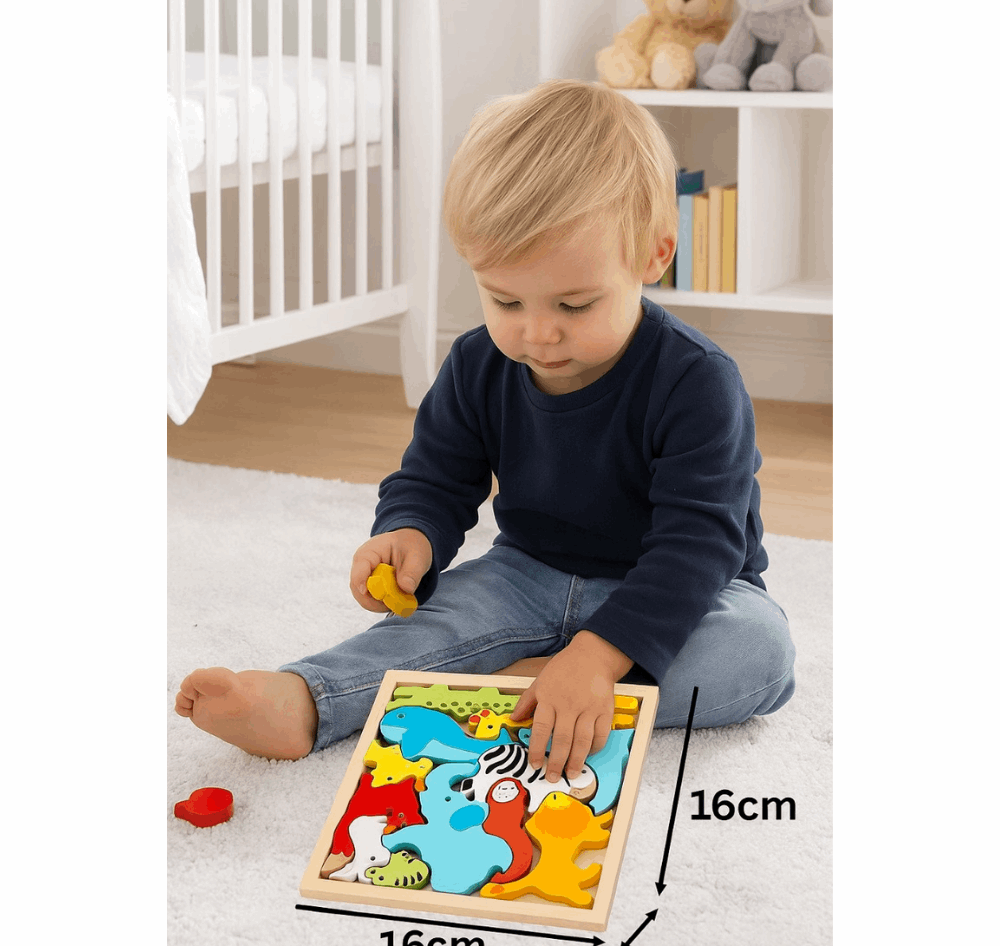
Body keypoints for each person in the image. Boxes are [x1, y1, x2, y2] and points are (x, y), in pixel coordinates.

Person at [175, 79, 795, 781]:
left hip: (683, 588)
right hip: (527, 575)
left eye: (574, 302)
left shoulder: (698, 380)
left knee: (758, 652)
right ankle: (309, 699)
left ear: (654, 256)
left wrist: (598, 652)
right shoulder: (477, 361)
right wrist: (409, 533)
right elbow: (435, 478)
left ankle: (535, 683)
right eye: (505, 299)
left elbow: (698, 545)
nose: (537, 331)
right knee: (435, 626)